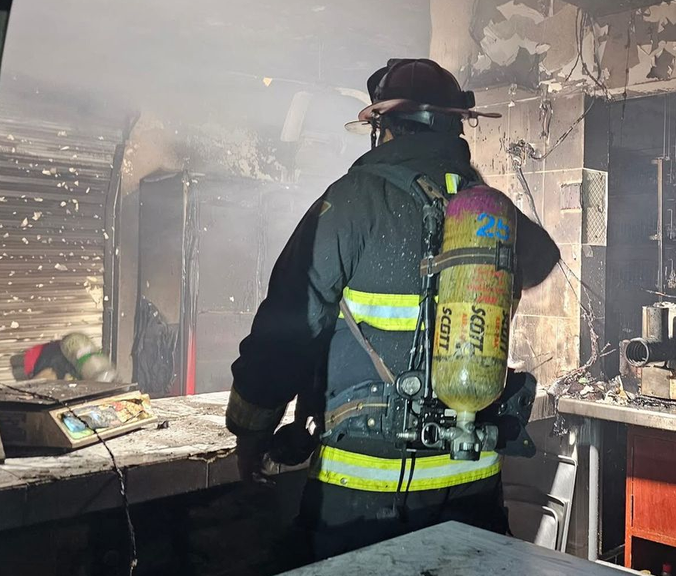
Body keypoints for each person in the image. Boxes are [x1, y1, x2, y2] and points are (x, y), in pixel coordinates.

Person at [225, 58, 560, 561]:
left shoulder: (352, 202)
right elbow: (542, 258)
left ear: (384, 128)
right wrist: (464, 188)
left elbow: (285, 333)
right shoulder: (485, 207)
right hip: (471, 484)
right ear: (455, 125)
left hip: (366, 492)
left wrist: (249, 430)